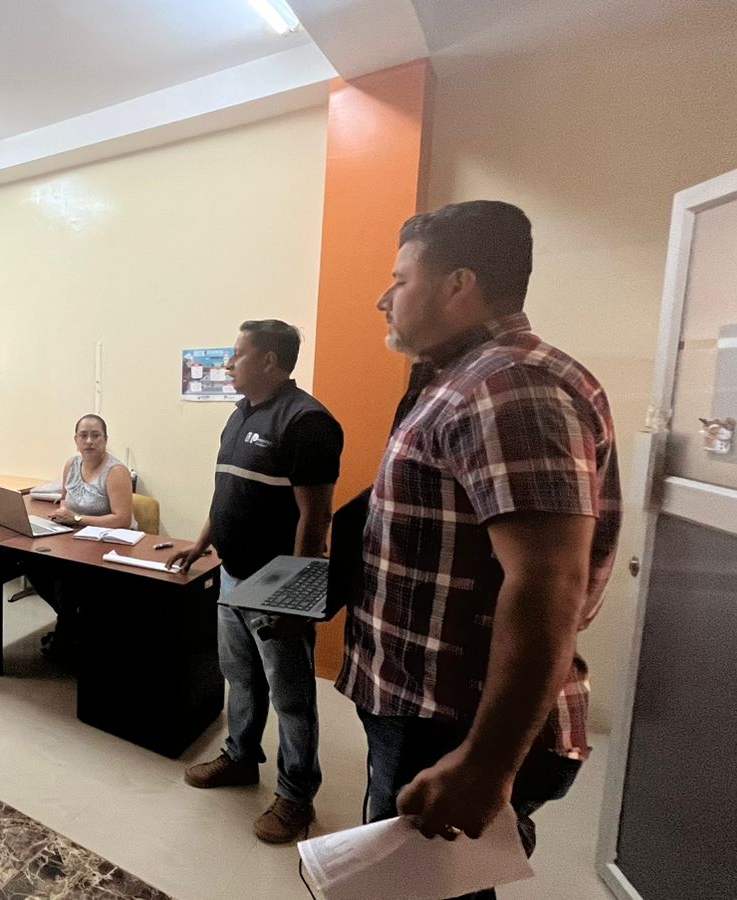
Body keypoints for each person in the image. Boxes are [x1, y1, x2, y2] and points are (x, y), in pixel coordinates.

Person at [337, 200, 619, 899]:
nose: (383, 299)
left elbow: (548, 583)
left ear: (457, 285)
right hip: (424, 704)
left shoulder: (507, 387)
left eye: (400, 280)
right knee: (427, 885)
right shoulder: (460, 378)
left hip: (452, 719)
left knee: (421, 891)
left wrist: (486, 765)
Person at [168, 319, 343, 844]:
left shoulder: (308, 422)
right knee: (240, 677)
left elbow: (315, 517)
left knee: (291, 696)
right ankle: (241, 757)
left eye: (237, 354)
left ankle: (296, 795)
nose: (228, 364)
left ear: (269, 361)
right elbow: (227, 492)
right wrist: (202, 543)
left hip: (277, 585)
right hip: (233, 574)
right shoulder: (239, 414)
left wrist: (295, 598)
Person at [32, 414, 134, 659]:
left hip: (108, 543)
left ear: (105, 439)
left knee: (65, 578)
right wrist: (62, 513)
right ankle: (71, 621)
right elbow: (65, 499)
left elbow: (122, 519)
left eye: (95, 435)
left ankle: (68, 628)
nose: (89, 441)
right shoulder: (71, 465)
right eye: (83, 435)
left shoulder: (116, 471)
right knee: (33, 563)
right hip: (74, 538)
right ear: (76, 440)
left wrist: (77, 519)